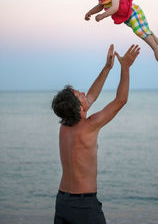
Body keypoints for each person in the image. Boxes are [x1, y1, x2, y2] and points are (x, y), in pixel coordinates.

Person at [52, 44, 140, 224]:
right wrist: (125, 68)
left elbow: (91, 96)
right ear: (79, 108)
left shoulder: (65, 126)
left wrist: (107, 68)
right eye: (80, 96)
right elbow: (121, 100)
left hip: (62, 202)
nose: (84, 94)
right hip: (83, 206)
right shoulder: (88, 126)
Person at [84, 0, 158, 62]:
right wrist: (90, 12)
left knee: (139, 31)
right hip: (126, 17)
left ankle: (155, 49)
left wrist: (102, 16)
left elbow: (115, 7)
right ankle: (157, 40)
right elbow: (99, 7)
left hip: (133, 12)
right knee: (143, 29)